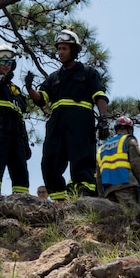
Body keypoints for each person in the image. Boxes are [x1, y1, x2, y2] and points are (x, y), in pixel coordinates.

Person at [25, 29, 110, 201]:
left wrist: (103, 119)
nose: (60, 52)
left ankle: (84, 196)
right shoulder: (53, 77)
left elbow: (100, 96)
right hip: (57, 123)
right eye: (59, 49)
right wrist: (29, 89)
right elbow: (41, 100)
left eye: (64, 48)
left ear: (74, 50)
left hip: (81, 121)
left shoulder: (88, 73)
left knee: (82, 159)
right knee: (50, 161)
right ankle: (60, 201)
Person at [0, 44, 32, 195]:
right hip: (0, 131)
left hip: (17, 134)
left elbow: (23, 107)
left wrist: (29, 87)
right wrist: (3, 79)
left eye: (9, 63)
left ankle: (22, 200)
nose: (6, 65)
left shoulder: (15, 89)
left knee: (20, 169)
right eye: (3, 62)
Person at [97, 116, 140, 213]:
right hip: (126, 184)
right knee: (135, 216)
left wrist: (101, 195)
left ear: (116, 130)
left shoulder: (102, 148)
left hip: (108, 190)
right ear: (130, 129)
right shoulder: (129, 140)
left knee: (115, 221)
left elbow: (98, 175)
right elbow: (136, 164)